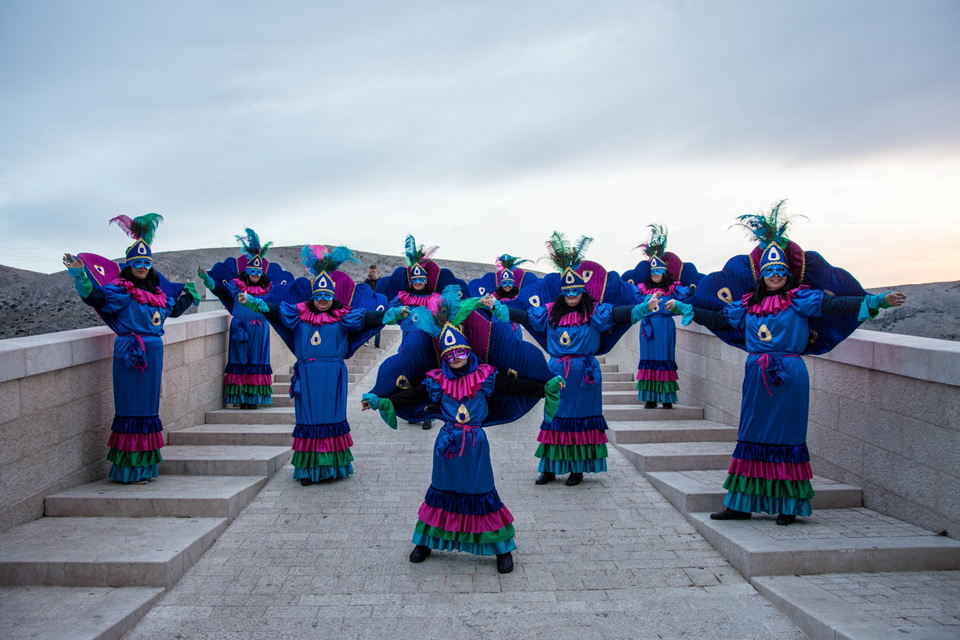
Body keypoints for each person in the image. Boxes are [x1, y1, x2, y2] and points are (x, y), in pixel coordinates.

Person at [673, 202, 906, 525]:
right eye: (769, 271)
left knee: (786, 436)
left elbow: (836, 305)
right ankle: (741, 503)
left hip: (789, 375)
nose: (775, 276)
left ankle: (789, 505)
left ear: (788, 272)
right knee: (751, 432)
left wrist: (876, 300)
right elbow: (718, 318)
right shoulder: (748, 305)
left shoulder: (801, 299)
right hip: (756, 373)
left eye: (780, 271)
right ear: (761, 274)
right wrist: (684, 306)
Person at [363, 311, 563, 574]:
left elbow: (515, 386)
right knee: (441, 491)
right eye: (450, 355)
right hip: (446, 445)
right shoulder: (436, 380)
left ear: (468, 351)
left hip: (475, 445)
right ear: (444, 357)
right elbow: (409, 395)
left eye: (460, 352)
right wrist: (380, 399)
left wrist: (545, 386)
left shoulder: (486, 376)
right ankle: (426, 542)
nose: (455, 359)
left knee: (482, 493)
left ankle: (501, 548)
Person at [496, 232, 658, 487]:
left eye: (576, 290)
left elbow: (618, 315)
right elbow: (527, 318)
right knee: (553, 418)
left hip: (585, 376)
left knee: (580, 420)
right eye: (567, 290)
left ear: (583, 291)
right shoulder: (550, 313)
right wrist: (500, 309)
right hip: (557, 371)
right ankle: (549, 468)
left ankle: (576, 469)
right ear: (562, 293)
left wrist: (643, 308)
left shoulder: (595, 312)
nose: (572, 294)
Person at [63, 213, 199, 484]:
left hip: (154, 353)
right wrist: (80, 275)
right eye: (136, 263)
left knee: (149, 408)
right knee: (131, 408)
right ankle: (128, 470)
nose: (141, 267)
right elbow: (95, 297)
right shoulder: (121, 291)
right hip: (130, 353)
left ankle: (146, 467)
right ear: (128, 265)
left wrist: (190, 296)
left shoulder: (158, 295)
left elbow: (172, 313)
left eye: (145, 263)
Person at [238, 245, 387, 485]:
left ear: (333, 297)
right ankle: (309, 470)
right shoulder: (298, 314)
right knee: (309, 419)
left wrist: (394, 314)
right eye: (319, 296)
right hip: (307, 375)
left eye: (328, 296)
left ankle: (333, 467)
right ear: (312, 296)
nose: (323, 300)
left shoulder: (343, 316)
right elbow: (273, 310)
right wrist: (253, 302)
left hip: (333, 374)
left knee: (331, 416)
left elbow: (369, 318)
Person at [199, 228, 288, 410]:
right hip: (239, 328)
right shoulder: (236, 286)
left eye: (258, 271)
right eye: (252, 271)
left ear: (261, 272)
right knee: (240, 360)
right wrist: (206, 279)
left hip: (260, 329)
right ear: (247, 272)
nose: (255, 274)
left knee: (257, 360)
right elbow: (219, 290)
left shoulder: (268, 289)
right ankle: (240, 396)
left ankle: (253, 398)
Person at [631, 225, 700, 409]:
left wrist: (692, 290)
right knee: (647, 359)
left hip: (665, 327)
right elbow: (635, 303)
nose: (655, 275)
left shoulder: (673, 289)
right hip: (647, 328)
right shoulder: (643, 289)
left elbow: (688, 295)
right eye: (653, 272)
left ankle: (667, 397)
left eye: (659, 272)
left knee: (665, 358)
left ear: (664, 273)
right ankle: (650, 398)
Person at [363, 264, 382, 349]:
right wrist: (367, 280)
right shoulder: (367, 282)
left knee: (377, 323)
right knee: (367, 322)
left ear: (376, 271)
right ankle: (366, 340)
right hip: (369, 304)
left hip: (378, 305)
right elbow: (363, 290)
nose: (372, 273)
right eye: (371, 272)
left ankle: (377, 345)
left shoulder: (381, 281)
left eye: (373, 271)